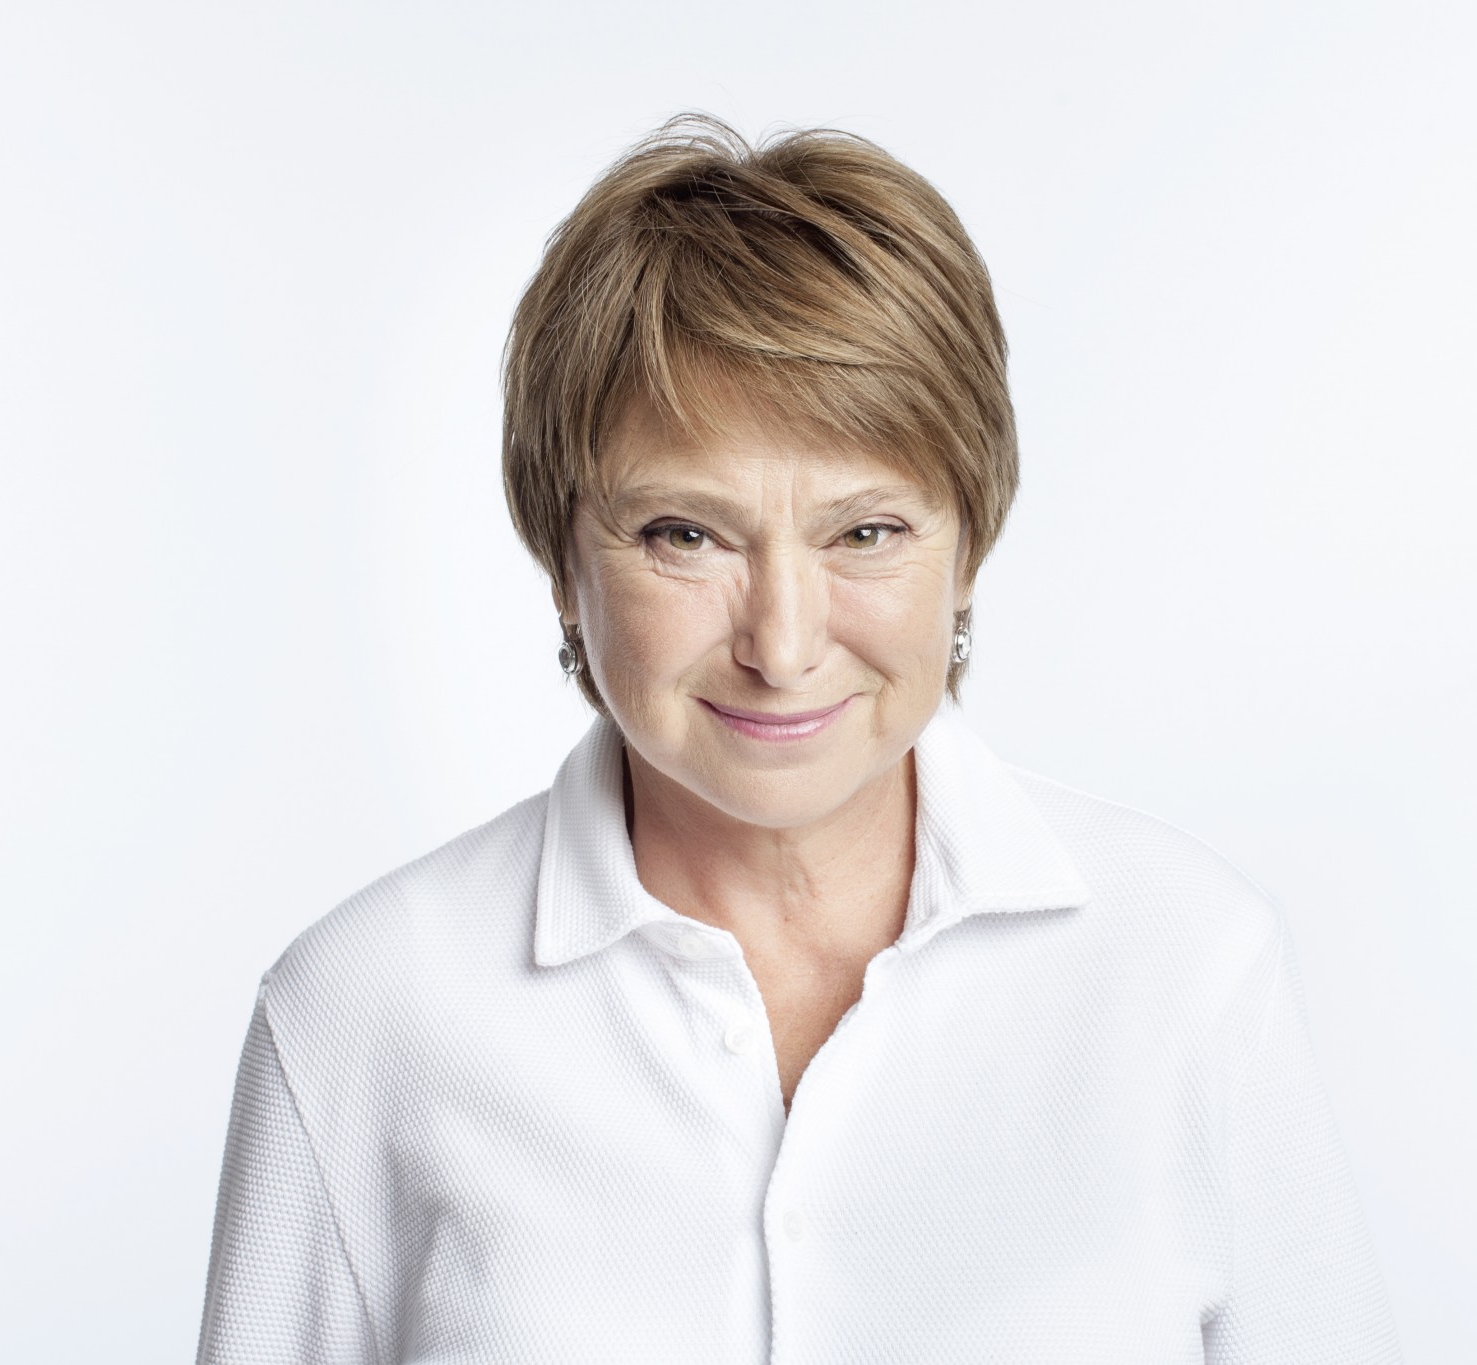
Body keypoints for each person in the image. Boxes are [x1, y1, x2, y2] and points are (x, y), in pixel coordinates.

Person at [196, 114, 1401, 1364]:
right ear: (562, 563)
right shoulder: (364, 1011)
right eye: (685, 535)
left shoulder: (1184, 968)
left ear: (967, 548)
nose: (780, 644)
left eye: (864, 533)